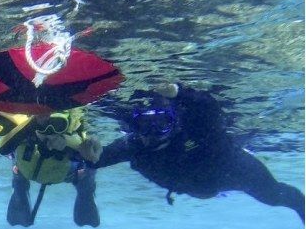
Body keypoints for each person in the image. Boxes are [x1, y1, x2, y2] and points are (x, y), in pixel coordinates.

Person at [95, 83, 304, 221]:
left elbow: (209, 108)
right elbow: (95, 158)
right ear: (132, 127)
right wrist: (84, 151)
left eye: (162, 124)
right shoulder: (133, 146)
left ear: (175, 122)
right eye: (143, 125)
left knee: (275, 196)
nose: (152, 133)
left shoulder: (194, 127)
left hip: (231, 171)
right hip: (192, 186)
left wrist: (179, 91)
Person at [0, 108, 103, 227]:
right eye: (46, 123)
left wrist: (68, 145)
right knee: (18, 172)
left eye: (58, 125)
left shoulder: (74, 133)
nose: (50, 130)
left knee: (86, 172)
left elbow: (91, 153)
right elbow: (3, 147)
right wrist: (31, 127)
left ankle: (86, 189)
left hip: (59, 172)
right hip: (30, 169)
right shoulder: (26, 124)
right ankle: (86, 189)